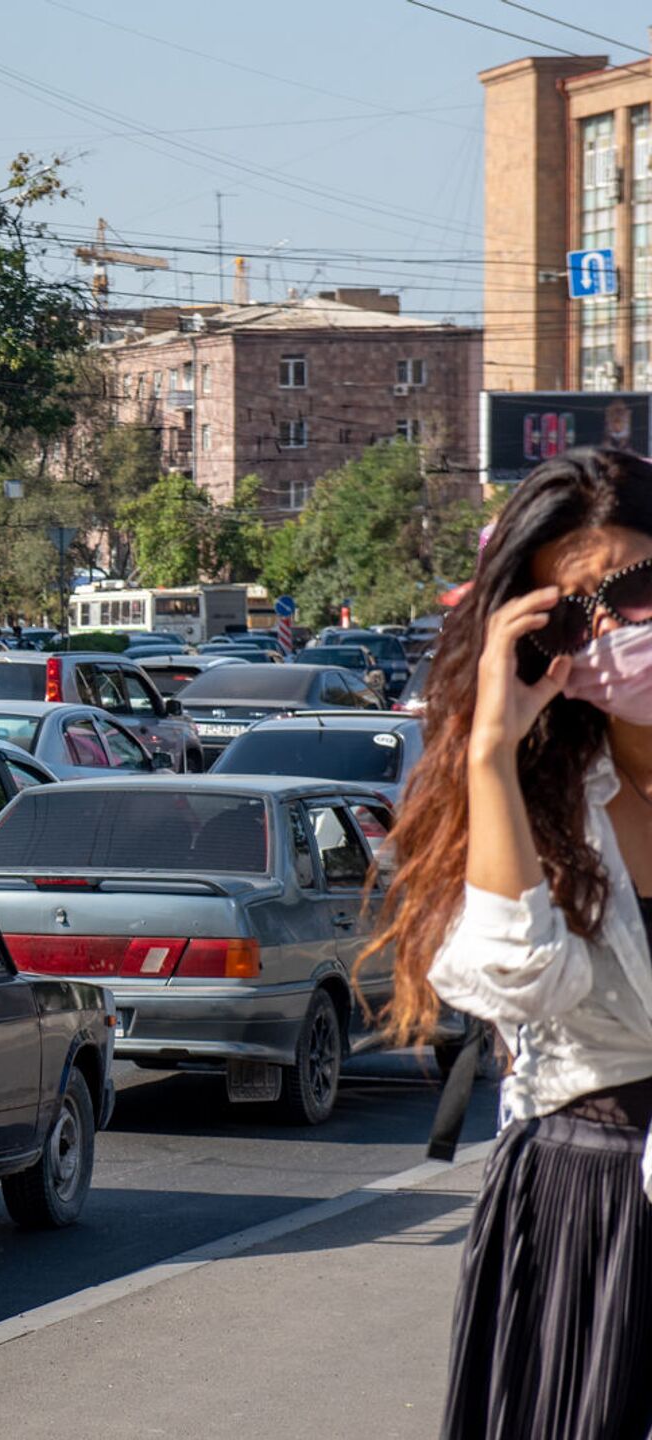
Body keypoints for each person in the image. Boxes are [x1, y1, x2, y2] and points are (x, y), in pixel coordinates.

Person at [367, 447, 652, 1438]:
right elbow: (516, 980)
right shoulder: (534, 809)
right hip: (590, 1214)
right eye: (576, 614)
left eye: (639, 588)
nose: (614, 629)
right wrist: (489, 749)